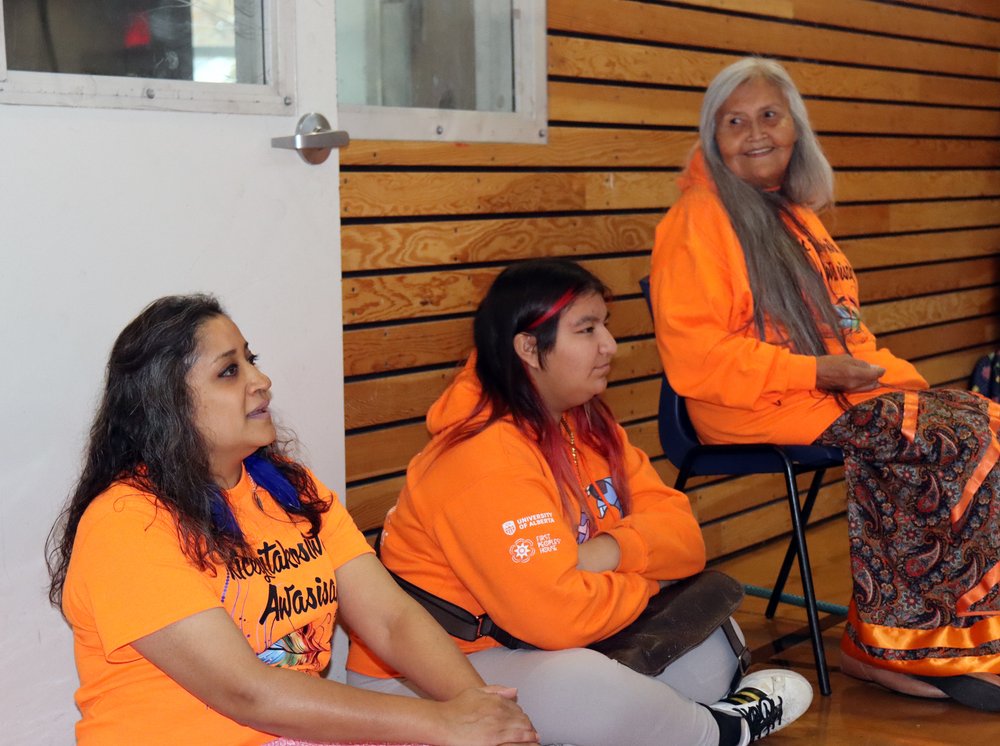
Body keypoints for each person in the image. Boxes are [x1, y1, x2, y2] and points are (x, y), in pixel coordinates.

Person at [650, 56, 1000, 710]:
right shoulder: (697, 220)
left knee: (981, 418)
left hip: (823, 395)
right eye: (734, 121)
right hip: (748, 409)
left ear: (795, 129)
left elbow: (850, 339)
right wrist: (818, 373)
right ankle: (894, 650)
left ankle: (966, 637)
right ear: (711, 137)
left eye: (768, 116)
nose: (754, 132)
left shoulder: (797, 217)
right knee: (942, 439)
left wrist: (906, 382)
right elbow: (696, 357)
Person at [345, 258, 814, 746]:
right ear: (528, 347)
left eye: (604, 326)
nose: (610, 345)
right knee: (590, 690)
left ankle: (667, 725)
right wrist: (648, 578)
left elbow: (684, 536)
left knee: (711, 642)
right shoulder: (482, 456)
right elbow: (558, 619)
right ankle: (722, 729)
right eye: (587, 330)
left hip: (562, 636)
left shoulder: (586, 422)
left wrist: (608, 554)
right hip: (446, 670)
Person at [45, 294, 540, 746]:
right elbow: (248, 693)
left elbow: (390, 620)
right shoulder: (126, 522)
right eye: (228, 371)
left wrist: (484, 709)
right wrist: (443, 723)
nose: (261, 382)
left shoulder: (292, 489)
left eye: (251, 360)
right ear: (167, 405)